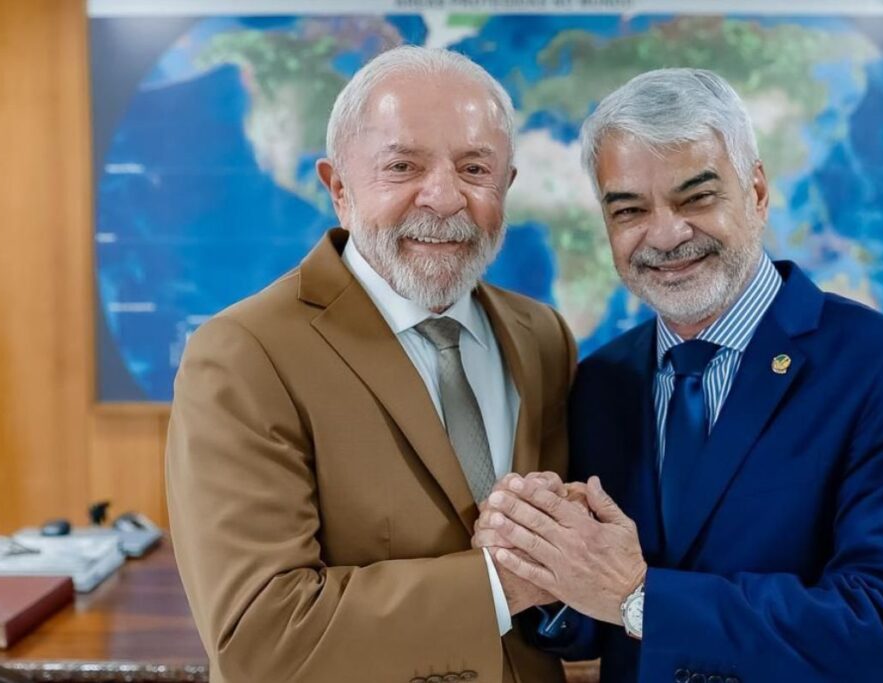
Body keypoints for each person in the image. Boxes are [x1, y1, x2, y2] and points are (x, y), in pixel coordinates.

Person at [473, 68, 883, 683]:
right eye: (629, 209)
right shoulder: (602, 382)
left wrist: (640, 596)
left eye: (696, 198)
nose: (666, 234)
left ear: (756, 191)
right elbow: (591, 621)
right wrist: (542, 564)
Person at [165, 46, 576, 683]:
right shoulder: (243, 354)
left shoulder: (542, 336)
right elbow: (261, 641)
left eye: (474, 168)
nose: (444, 198)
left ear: (507, 186)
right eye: (402, 166)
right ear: (339, 189)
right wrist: (502, 582)